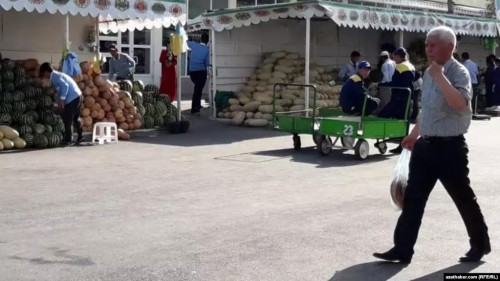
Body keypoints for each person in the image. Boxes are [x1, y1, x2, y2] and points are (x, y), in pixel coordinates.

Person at [373, 26, 490, 264]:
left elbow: (459, 104)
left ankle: (480, 245)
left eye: (433, 44)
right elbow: (427, 109)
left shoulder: (459, 72)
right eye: (427, 44)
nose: (428, 49)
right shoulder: (428, 72)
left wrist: (440, 76)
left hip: (450, 149)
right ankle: (402, 249)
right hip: (425, 147)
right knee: (413, 199)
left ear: (450, 46)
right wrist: (414, 134)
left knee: (463, 198)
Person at [39, 62, 83, 146]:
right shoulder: (57, 75)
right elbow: (59, 92)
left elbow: (65, 86)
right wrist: (56, 105)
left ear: (46, 72)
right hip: (78, 95)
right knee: (76, 118)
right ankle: (80, 136)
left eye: (43, 74)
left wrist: (62, 100)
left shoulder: (54, 76)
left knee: (67, 119)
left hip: (72, 98)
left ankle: (68, 139)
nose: (44, 77)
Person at [187, 33, 210, 115]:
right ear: (208, 41)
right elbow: (207, 63)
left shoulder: (194, 45)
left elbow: (186, 43)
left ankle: (197, 105)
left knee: (197, 89)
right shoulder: (207, 50)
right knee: (198, 90)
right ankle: (195, 108)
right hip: (201, 71)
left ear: (200, 39)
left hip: (192, 72)